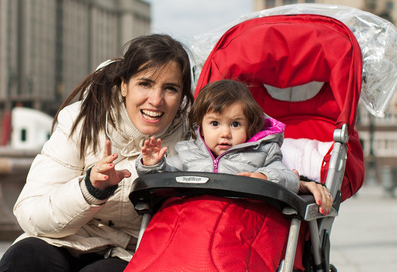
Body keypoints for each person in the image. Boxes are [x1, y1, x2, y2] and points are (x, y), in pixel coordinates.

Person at [0, 34, 194, 272]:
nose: (156, 100)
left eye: (170, 88)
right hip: (71, 238)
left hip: (133, 252)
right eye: (145, 84)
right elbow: (31, 212)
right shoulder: (81, 120)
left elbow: (245, 149)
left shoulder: (193, 136)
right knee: (21, 265)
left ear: (183, 96)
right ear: (123, 86)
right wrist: (91, 188)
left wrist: (300, 181)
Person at [138, 79, 331, 212]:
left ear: (249, 127)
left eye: (235, 124)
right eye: (215, 123)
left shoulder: (261, 154)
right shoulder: (188, 153)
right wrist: (153, 165)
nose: (225, 133)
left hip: (238, 224)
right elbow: (163, 178)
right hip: (193, 221)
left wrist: (263, 176)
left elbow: (288, 177)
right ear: (201, 129)